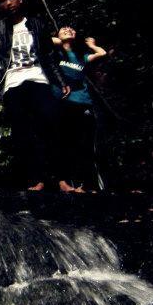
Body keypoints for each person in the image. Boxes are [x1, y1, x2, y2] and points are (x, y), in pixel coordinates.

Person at [0, 0, 73, 192]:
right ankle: (36, 180)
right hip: (12, 83)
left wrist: (61, 81)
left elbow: (49, 56)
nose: (8, 3)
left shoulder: (36, 24)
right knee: (22, 133)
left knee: (52, 127)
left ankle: (62, 179)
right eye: (3, 0)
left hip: (38, 79)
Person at [52, 25, 108, 191]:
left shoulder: (81, 56)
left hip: (82, 102)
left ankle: (84, 183)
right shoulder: (54, 53)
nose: (68, 30)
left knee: (83, 143)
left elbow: (102, 53)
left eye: (71, 29)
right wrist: (62, 39)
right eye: (64, 29)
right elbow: (42, 41)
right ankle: (63, 182)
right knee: (63, 142)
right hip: (62, 102)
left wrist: (91, 45)